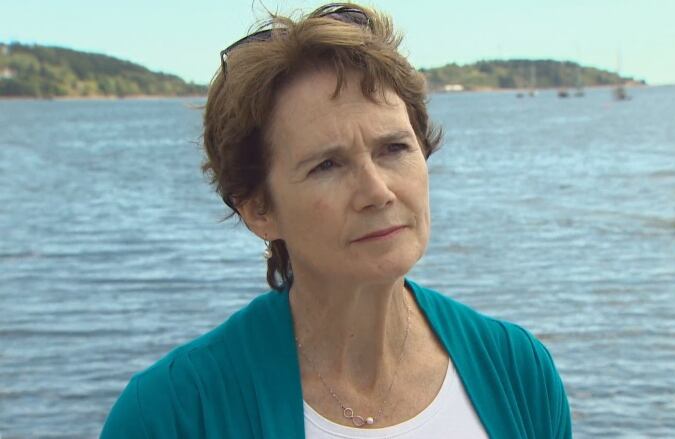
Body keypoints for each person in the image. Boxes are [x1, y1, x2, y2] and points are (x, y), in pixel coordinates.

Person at [101, 3, 571, 438]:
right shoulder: (170, 414)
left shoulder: (517, 369)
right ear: (259, 209)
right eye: (327, 164)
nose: (378, 191)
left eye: (394, 148)